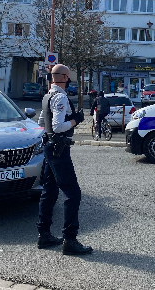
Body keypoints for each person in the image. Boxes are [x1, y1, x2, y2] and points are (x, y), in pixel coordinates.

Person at [36, 64, 92, 255]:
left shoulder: (47, 96)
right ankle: (70, 239)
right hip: (59, 148)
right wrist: (76, 120)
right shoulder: (60, 96)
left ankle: (43, 234)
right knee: (72, 193)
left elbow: (42, 123)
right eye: (68, 77)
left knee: (49, 191)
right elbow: (59, 125)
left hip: (49, 147)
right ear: (66, 77)